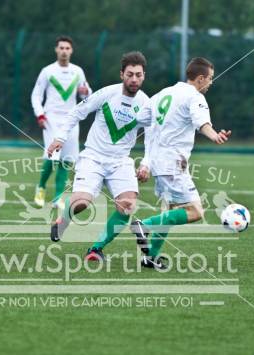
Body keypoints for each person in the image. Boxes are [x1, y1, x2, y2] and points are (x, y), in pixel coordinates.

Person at [47, 51, 151, 261]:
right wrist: (60, 137)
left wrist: (147, 163)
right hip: (93, 157)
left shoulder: (146, 103)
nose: (134, 79)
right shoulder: (107, 93)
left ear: (143, 76)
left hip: (121, 161)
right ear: (121, 74)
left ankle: (96, 249)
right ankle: (63, 220)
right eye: (129, 74)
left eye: (138, 75)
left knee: (128, 206)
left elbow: (154, 136)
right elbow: (77, 112)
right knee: (81, 204)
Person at [132, 57, 231, 269]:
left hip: (159, 162)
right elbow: (202, 122)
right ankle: (144, 225)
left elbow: (141, 119)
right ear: (201, 78)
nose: (211, 83)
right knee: (196, 212)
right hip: (173, 163)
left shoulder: (163, 93)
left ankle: (150, 256)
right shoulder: (195, 97)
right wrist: (214, 136)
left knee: (171, 209)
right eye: (210, 79)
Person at [31, 35, 92, 210]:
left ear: (71, 51)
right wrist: (40, 115)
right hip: (52, 120)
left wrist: (85, 91)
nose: (64, 51)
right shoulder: (47, 71)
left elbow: (87, 95)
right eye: (61, 48)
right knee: (52, 157)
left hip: (71, 120)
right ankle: (41, 187)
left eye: (67, 48)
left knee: (67, 159)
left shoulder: (78, 71)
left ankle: (58, 198)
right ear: (56, 50)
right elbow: (36, 95)